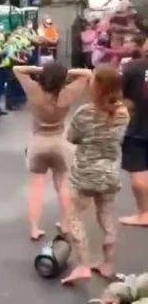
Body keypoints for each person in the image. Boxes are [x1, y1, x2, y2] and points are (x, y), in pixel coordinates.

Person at [61, 65, 129, 285]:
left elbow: (71, 137)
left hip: (85, 174)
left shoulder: (85, 112)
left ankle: (83, 265)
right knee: (107, 217)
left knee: (73, 216)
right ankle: (107, 263)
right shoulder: (123, 112)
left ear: (98, 86)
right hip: (110, 173)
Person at [13, 63, 92, 240]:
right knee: (62, 185)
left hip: (38, 141)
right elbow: (87, 73)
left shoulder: (34, 90)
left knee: (36, 187)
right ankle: (65, 224)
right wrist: (64, 72)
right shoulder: (67, 93)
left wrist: (43, 70)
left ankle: (34, 228)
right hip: (59, 141)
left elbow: (17, 69)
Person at [118, 37, 148, 226]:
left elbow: (120, 96)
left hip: (136, 125)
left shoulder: (131, 68)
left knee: (138, 170)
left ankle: (144, 213)